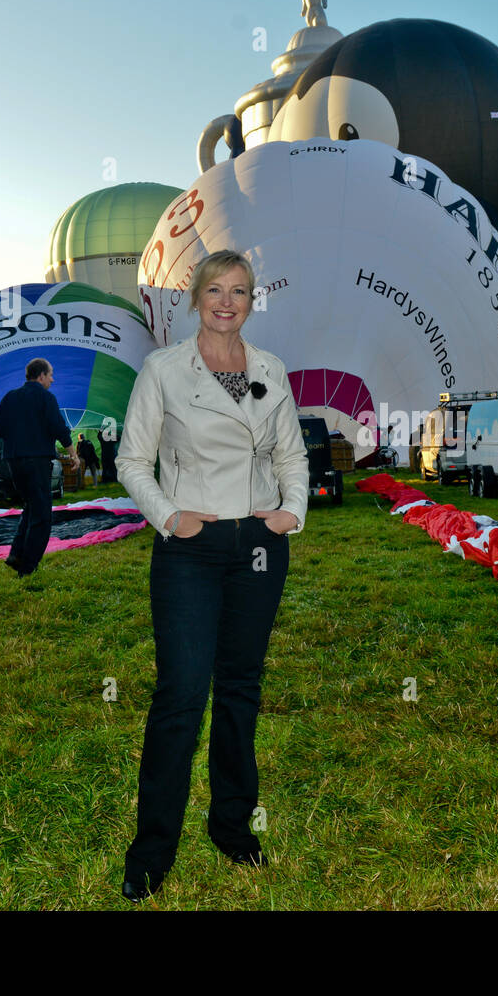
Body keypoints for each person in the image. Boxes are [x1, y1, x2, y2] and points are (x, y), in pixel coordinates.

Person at [116, 249, 309, 903]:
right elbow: (132, 462)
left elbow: (292, 452)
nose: (228, 302)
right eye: (216, 290)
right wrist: (172, 517)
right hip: (190, 551)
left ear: (252, 302)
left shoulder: (271, 370)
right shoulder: (163, 369)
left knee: (240, 690)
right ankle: (151, 851)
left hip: (256, 547)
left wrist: (289, 514)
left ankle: (231, 828)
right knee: (180, 695)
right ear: (195, 297)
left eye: (241, 292)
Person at [0, 358, 75, 577]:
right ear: (41, 376)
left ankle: (16, 554)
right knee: (42, 516)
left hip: (14, 463)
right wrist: (73, 454)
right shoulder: (46, 398)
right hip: (37, 462)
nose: (53, 380)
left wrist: (17, 431)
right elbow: (59, 428)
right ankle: (27, 569)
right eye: (51, 374)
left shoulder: (10, 397)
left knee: (31, 507)